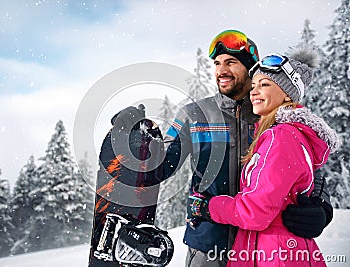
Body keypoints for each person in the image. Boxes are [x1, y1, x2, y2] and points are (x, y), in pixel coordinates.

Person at [112, 30, 333, 267]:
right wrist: (138, 139)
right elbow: (161, 165)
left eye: (230, 62)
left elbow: (309, 168)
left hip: (260, 246)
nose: (221, 71)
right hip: (207, 244)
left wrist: (322, 206)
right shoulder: (194, 114)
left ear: (250, 68)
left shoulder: (271, 114)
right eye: (217, 63)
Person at [188, 50, 340, 266]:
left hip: (272, 251)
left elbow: (255, 211)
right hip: (234, 244)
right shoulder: (274, 129)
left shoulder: (281, 134)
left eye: (264, 84)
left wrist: (207, 207)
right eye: (254, 85)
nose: (254, 92)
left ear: (287, 93)